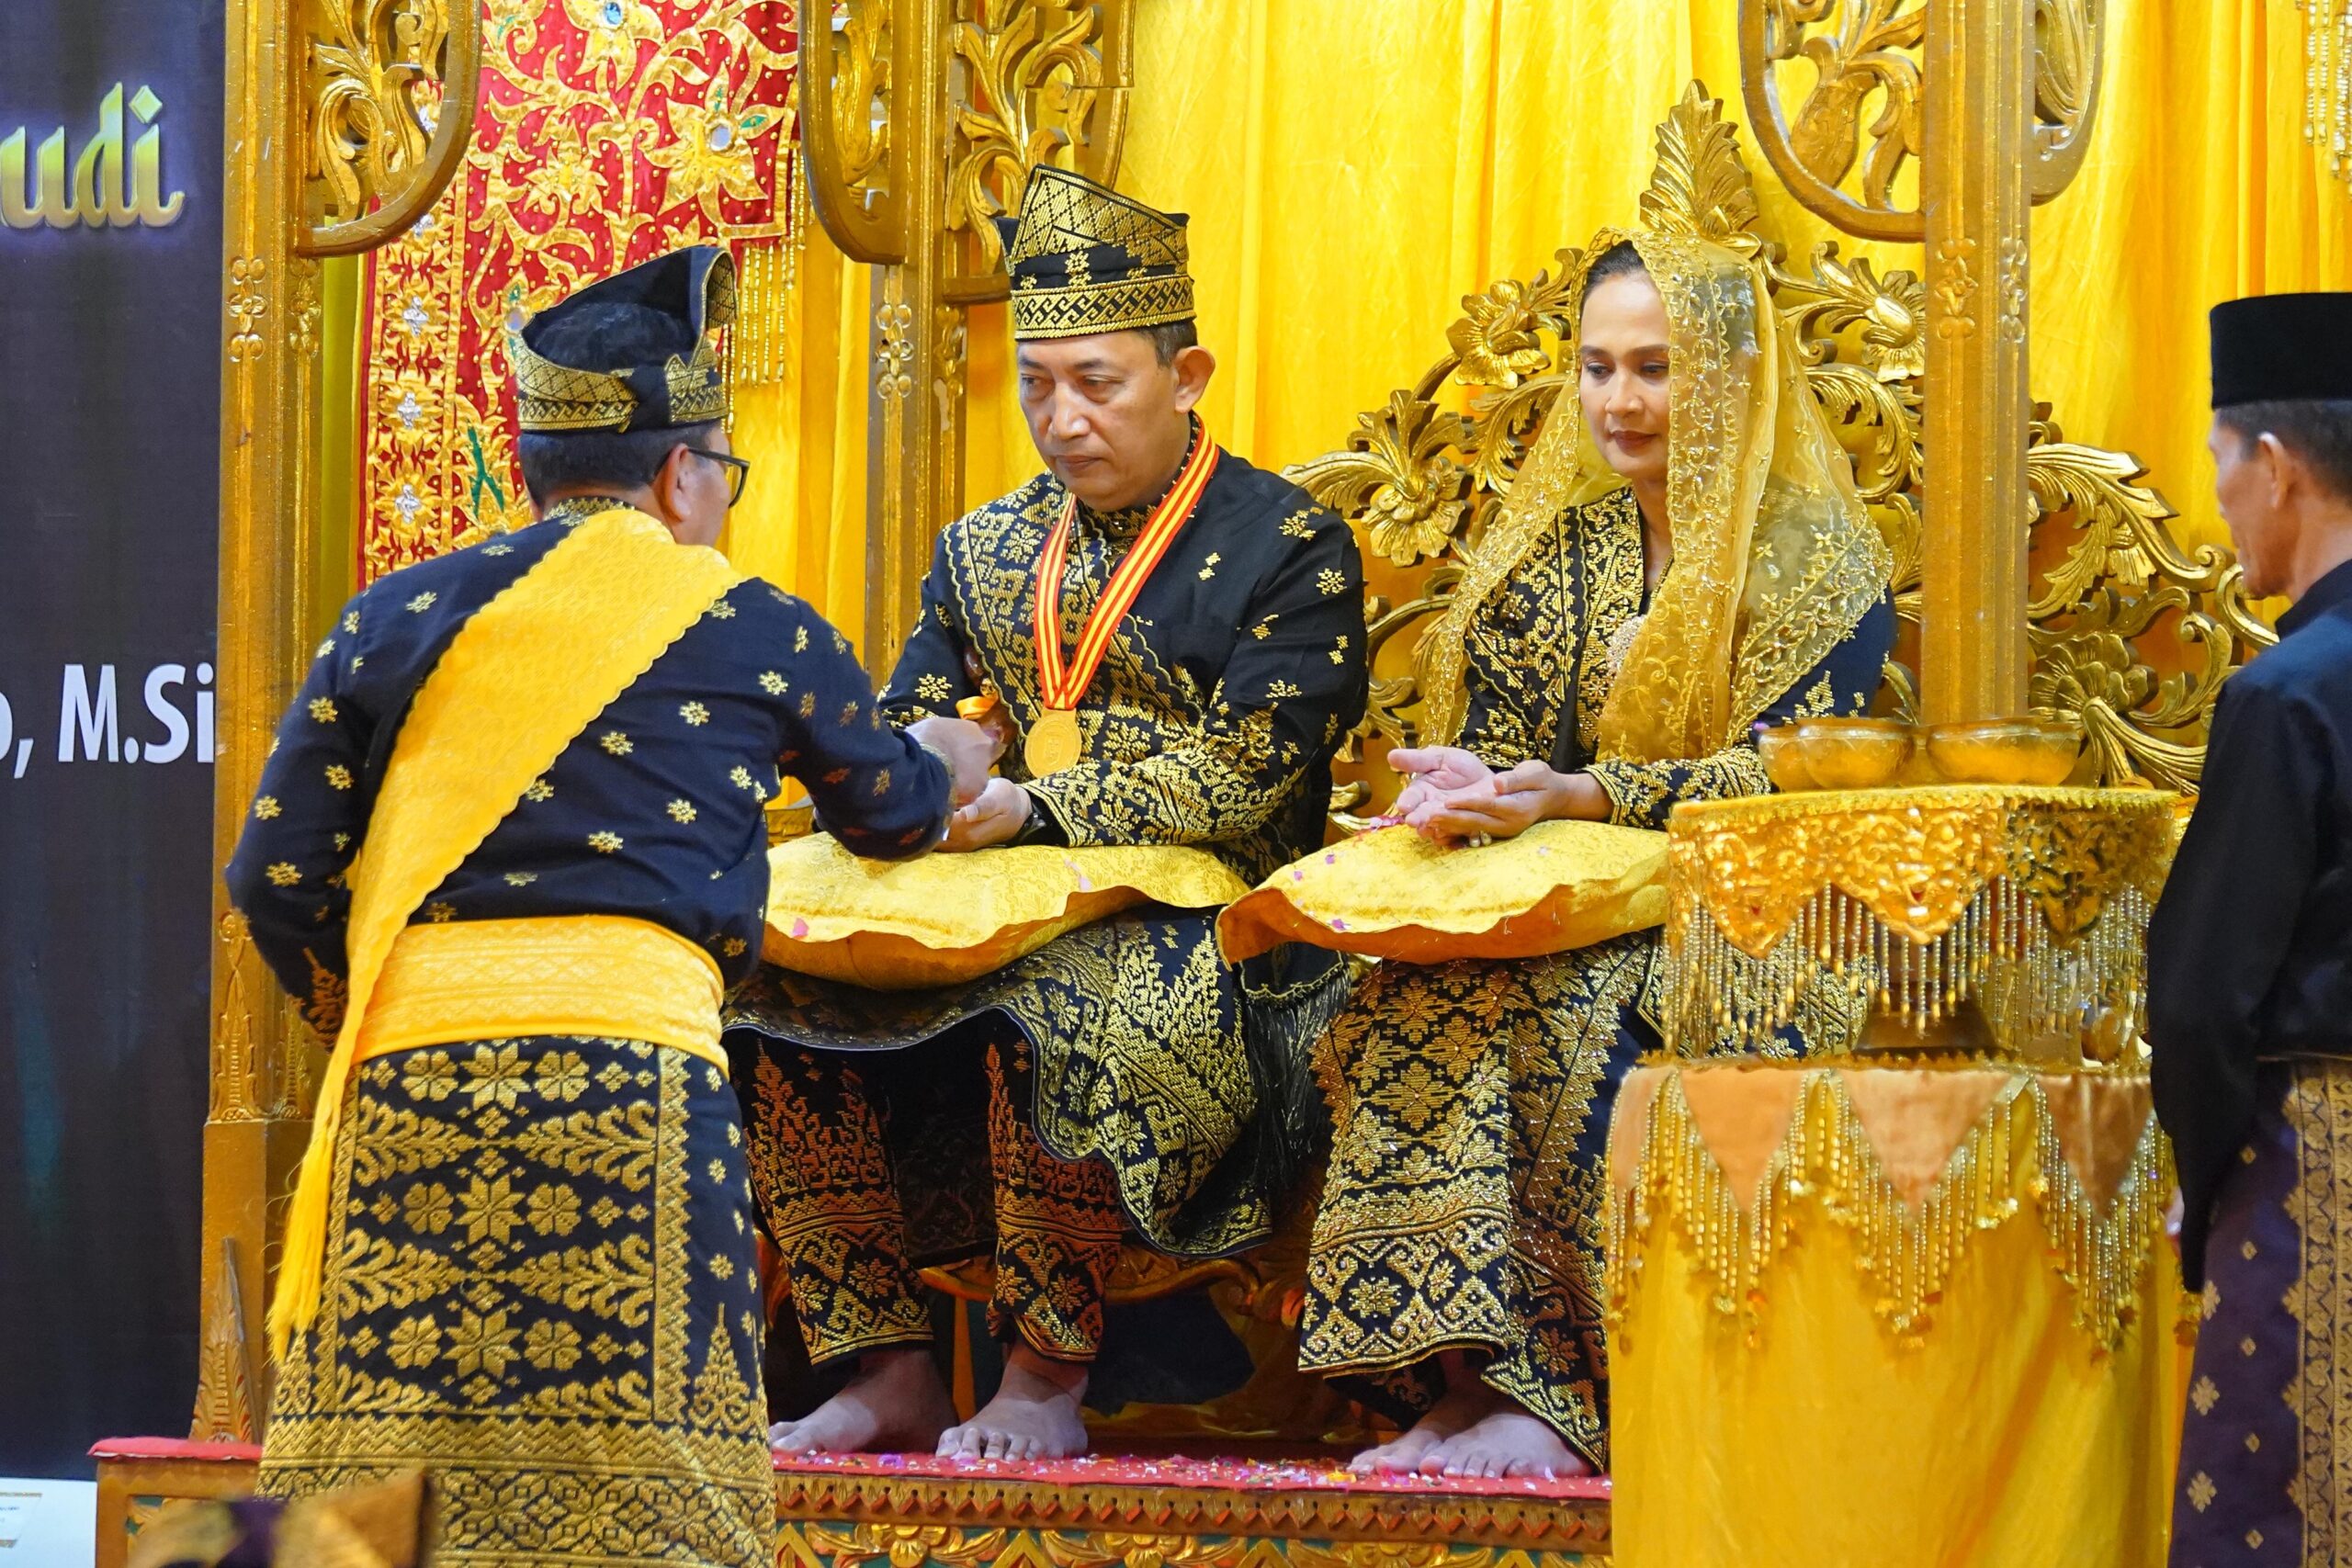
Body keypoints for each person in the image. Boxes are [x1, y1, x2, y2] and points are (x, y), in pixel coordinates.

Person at [225, 246, 994, 1568]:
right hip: (633, 1081)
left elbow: (274, 877)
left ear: (535, 465)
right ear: (681, 474)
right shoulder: (756, 624)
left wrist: (366, 1011)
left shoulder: (393, 615)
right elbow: (890, 814)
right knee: (642, 1486)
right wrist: (952, 757)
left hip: (411, 1076)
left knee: (388, 1467)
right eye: (725, 473)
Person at [729, 166, 1368, 1461]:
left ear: (1187, 377)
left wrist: (1033, 803)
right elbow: (912, 709)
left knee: (1057, 998)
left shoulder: (1291, 545)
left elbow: (1249, 772)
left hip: (1229, 923)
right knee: (769, 989)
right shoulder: (986, 547)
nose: (1062, 421)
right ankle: (886, 1364)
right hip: (994, 895)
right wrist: (929, 759)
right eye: (1036, 385)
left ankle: (1040, 1372)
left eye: (1098, 384)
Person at [1295, 231, 1894, 1480]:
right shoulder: (1558, 560)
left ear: (1726, 378)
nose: (1621, 400)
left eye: (1658, 369)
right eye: (1599, 366)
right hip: (1563, 902)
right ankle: (1456, 1379)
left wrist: (1591, 792)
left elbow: (1795, 778)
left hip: (1757, 918)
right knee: (1408, 995)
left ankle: (1561, 1395)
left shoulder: (1815, 570)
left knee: (1565, 1017)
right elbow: (1510, 750)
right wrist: (1467, 784)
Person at [2153, 292, 2352, 1567]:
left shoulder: (2285, 695)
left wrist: (2204, 1161)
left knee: (2283, 1515)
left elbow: (2202, 994)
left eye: (2220, 461)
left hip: (2317, 1167)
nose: (2219, 497)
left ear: (2274, 466)